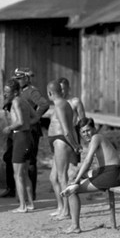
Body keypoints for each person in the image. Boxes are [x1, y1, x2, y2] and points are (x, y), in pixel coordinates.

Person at [60, 117, 120, 234]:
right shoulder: (94, 140)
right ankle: (69, 206)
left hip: (112, 174)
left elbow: (88, 161)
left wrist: (77, 180)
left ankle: (75, 226)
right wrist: (78, 176)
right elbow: (89, 164)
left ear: (94, 129)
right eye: (83, 132)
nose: (86, 134)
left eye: (88, 130)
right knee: (75, 177)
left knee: (71, 190)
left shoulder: (96, 137)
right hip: (107, 171)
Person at [0, 68, 49, 199]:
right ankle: (11, 188)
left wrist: (34, 119)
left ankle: (31, 194)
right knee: (9, 158)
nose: (18, 81)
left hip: (28, 131)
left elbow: (44, 104)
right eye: (16, 79)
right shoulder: (15, 94)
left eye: (20, 78)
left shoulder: (31, 91)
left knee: (29, 163)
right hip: (15, 131)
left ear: (26, 78)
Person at [45, 80, 82, 221]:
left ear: (50, 93)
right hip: (59, 141)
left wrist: (74, 145)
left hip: (62, 141)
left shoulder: (60, 105)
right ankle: (62, 208)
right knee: (55, 177)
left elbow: (66, 130)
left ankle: (66, 211)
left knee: (62, 178)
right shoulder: (63, 103)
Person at [1, 78, 37, 213]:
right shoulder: (24, 101)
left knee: (18, 175)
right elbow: (35, 117)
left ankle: (22, 206)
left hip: (20, 137)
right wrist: (27, 124)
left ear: (15, 92)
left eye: (7, 92)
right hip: (28, 137)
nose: (5, 94)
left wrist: (9, 128)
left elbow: (20, 121)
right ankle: (31, 203)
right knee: (25, 173)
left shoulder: (16, 102)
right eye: (4, 91)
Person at [57, 76, 86, 141]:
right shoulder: (57, 101)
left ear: (68, 88)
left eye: (62, 89)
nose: (60, 92)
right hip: (59, 131)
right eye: (58, 89)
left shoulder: (75, 101)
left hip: (72, 132)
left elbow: (83, 120)